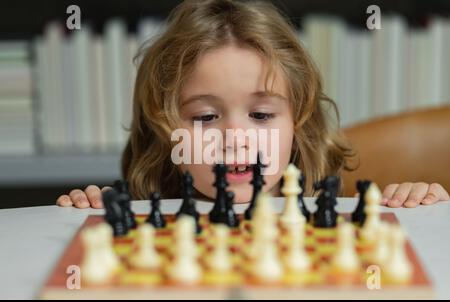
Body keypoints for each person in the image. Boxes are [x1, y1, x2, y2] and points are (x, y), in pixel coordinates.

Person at [56, 0, 449, 209]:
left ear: (299, 124)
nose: (236, 138)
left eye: (261, 115)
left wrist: (420, 205)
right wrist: (90, 210)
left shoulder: (336, 217)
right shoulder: (144, 222)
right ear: (164, 133)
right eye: (205, 117)